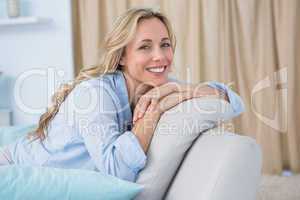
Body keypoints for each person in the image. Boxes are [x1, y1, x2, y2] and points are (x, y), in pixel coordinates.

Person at [0, 8, 244, 182]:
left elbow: (234, 102)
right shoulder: (95, 94)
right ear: (123, 57)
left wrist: (182, 90)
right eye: (145, 47)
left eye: (165, 44)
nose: (160, 56)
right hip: (15, 166)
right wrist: (155, 111)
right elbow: (116, 172)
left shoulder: (160, 85)